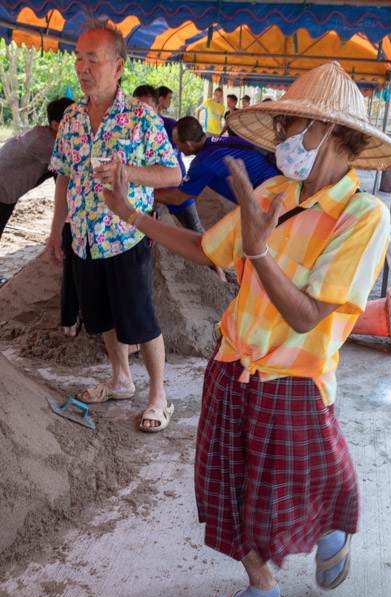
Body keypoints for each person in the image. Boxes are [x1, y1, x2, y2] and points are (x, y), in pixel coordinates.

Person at [102, 60, 391, 597]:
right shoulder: (273, 190)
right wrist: (131, 214)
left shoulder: (363, 216)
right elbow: (207, 248)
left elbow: (305, 315)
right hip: (231, 364)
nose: (289, 138)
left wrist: (261, 253)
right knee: (228, 489)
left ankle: (331, 524)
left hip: (296, 381)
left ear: (337, 136)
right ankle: (262, 586)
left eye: (298, 126)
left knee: (296, 483)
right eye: (287, 125)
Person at [47, 21, 181, 433]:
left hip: (125, 237)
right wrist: (57, 231)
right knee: (101, 319)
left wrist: (129, 172)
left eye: (93, 59)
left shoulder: (141, 118)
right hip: (85, 238)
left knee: (139, 320)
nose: (82, 67)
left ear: (118, 66)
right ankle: (121, 379)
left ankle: (159, 395)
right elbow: (65, 177)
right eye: (78, 58)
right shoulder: (71, 118)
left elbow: (172, 175)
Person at [154, 116, 279, 209]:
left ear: (188, 144)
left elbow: (177, 198)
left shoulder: (203, 162)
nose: (175, 147)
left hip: (272, 198)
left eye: (176, 143)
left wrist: (147, 193)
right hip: (277, 184)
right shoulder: (220, 141)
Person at [0, 97, 74, 241]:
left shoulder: (48, 137)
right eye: (74, 122)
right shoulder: (45, 143)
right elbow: (75, 166)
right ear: (55, 125)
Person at [133, 85, 205, 234]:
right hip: (147, 190)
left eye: (147, 107)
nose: (141, 112)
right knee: (146, 232)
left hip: (174, 188)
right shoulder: (129, 130)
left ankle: (208, 255)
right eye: (137, 106)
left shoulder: (170, 126)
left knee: (196, 229)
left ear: (156, 105)